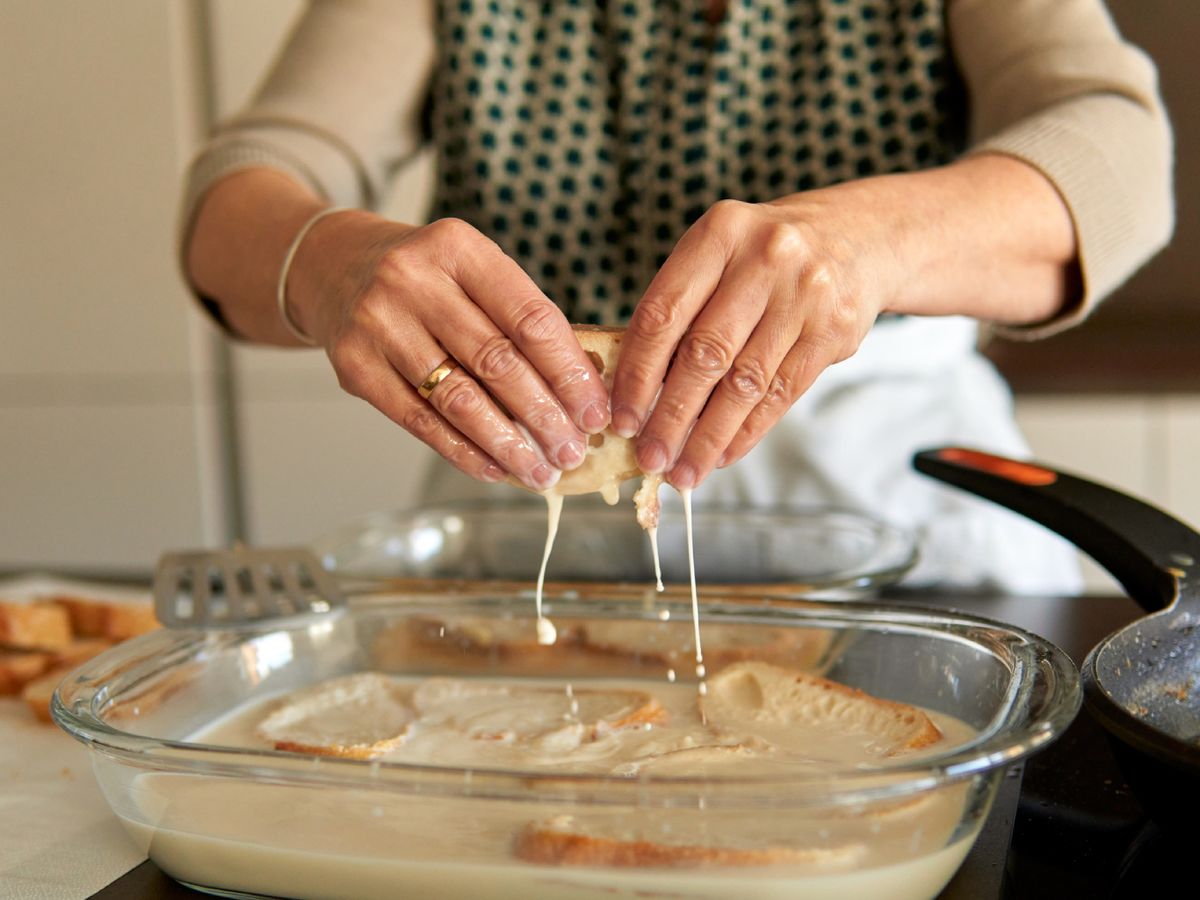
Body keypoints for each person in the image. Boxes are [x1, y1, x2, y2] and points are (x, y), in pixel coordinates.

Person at [179, 0, 1173, 593]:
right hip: (531, 540)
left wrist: (871, 241)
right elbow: (245, 184)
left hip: (899, 530)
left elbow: (1117, 155)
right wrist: (324, 261)